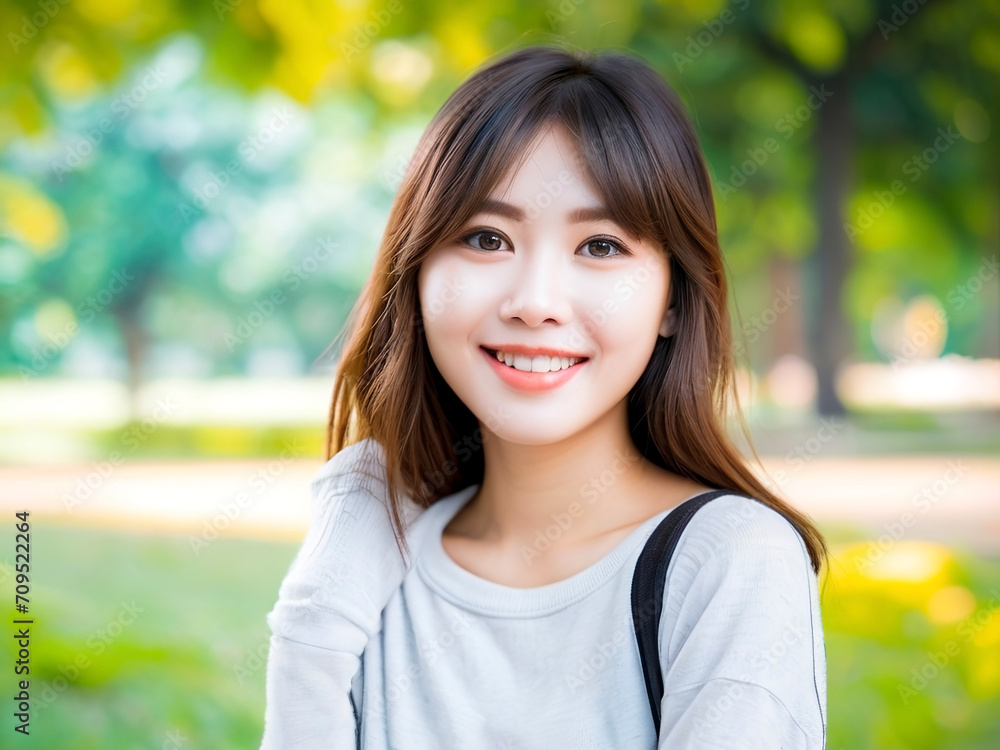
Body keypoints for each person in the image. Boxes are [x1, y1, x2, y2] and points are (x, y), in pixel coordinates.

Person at [260, 41, 829, 749]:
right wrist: (319, 612)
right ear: (417, 273)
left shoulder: (728, 563)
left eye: (600, 247)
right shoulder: (367, 567)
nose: (534, 303)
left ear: (674, 301)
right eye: (487, 238)